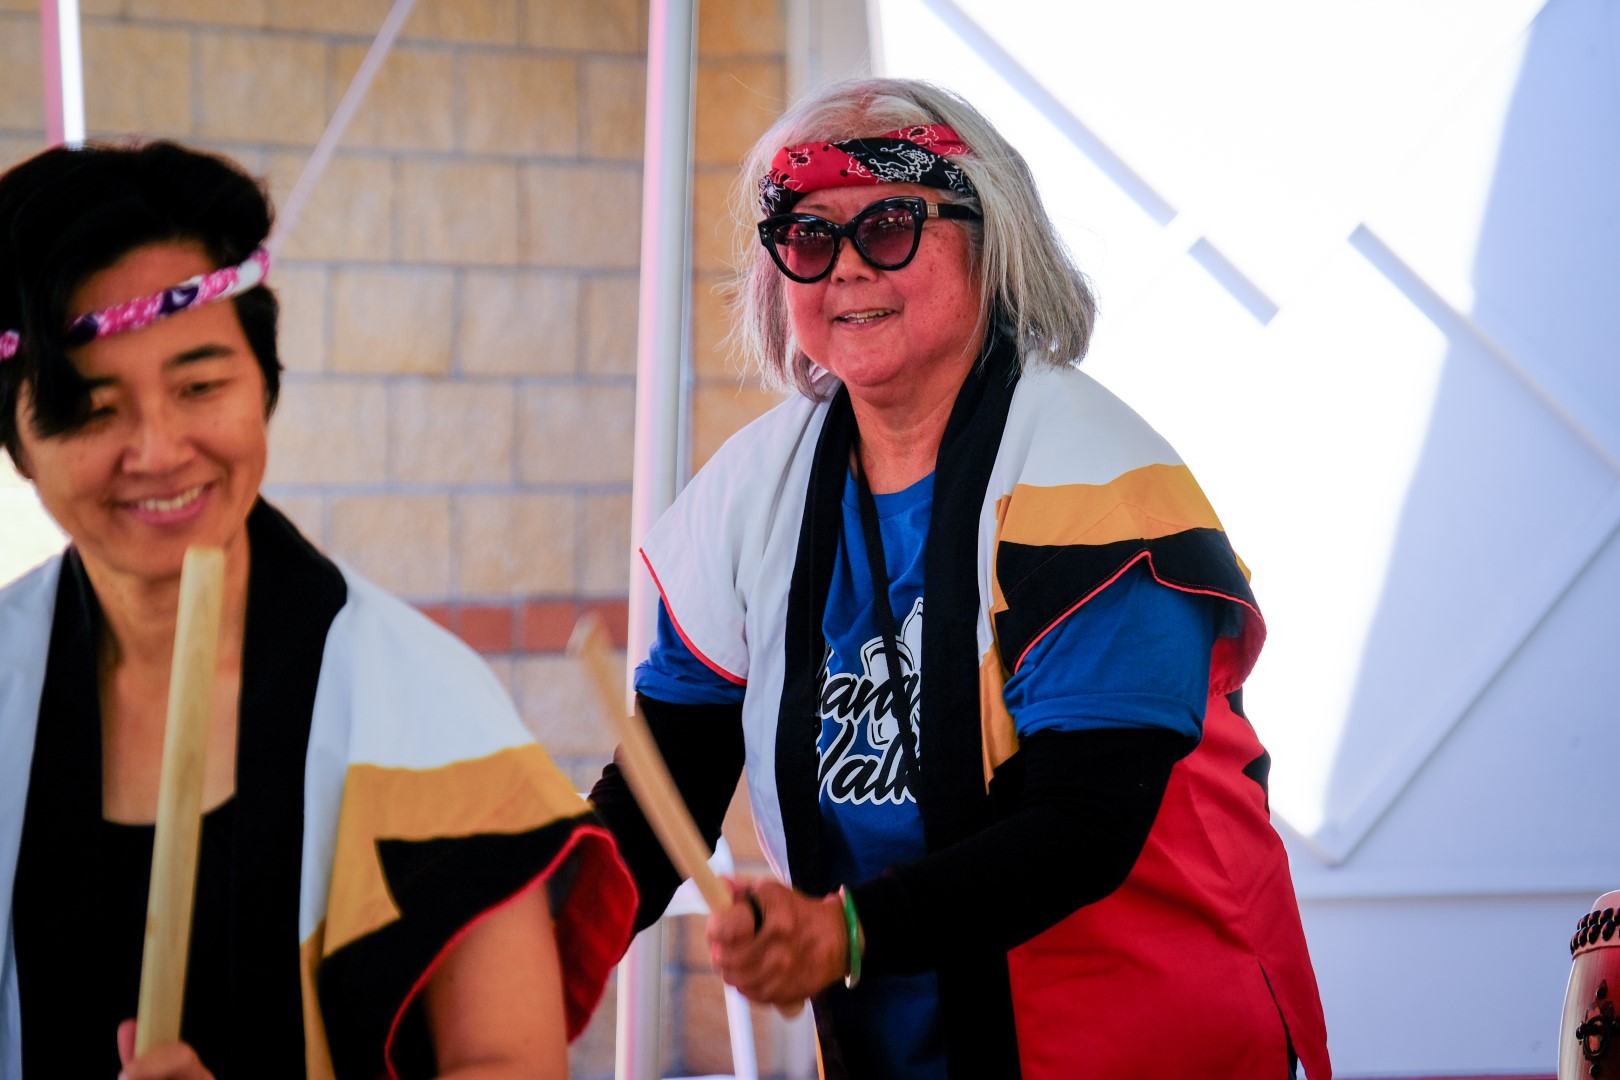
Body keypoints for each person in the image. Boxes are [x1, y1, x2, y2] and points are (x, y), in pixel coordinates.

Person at [590, 77, 1333, 1079]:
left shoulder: (1096, 485)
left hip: (1143, 1038)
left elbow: (1083, 825)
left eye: (889, 225)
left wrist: (846, 933)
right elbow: (661, 793)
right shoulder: (749, 498)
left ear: (992, 237)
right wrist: (519, 934)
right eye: (809, 236)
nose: (848, 266)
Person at [0, 141, 635, 1080]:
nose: (158, 450)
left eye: (200, 386)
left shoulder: (423, 707)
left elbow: (510, 1063)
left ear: (264, 383)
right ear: (16, 441)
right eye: (92, 408)